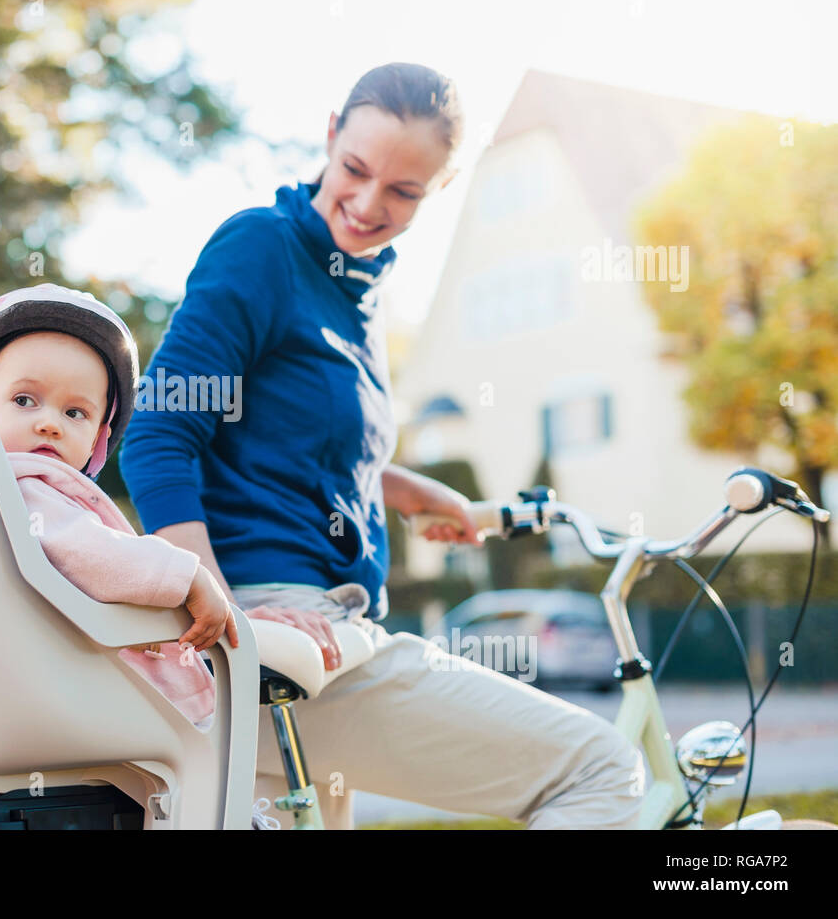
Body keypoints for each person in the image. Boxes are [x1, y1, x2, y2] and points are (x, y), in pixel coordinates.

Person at [119, 63, 647, 828]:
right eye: (356, 171)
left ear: (441, 186)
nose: (368, 204)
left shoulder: (358, 293)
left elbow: (292, 444)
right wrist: (224, 616)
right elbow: (160, 432)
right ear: (330, 134)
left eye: (403, 192)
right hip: (279, 631)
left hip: (310, 636)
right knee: (603, 769)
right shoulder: (262, 249)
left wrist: (415, 493)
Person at [0, 283, 239, 731]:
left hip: (31, 691)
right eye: (24, 400)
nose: (49, 423)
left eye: (75, 413)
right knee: (200, 762)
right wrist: (188, 577)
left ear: (97, 439)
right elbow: (89, 552)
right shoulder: (22, 487)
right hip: (67, 700)